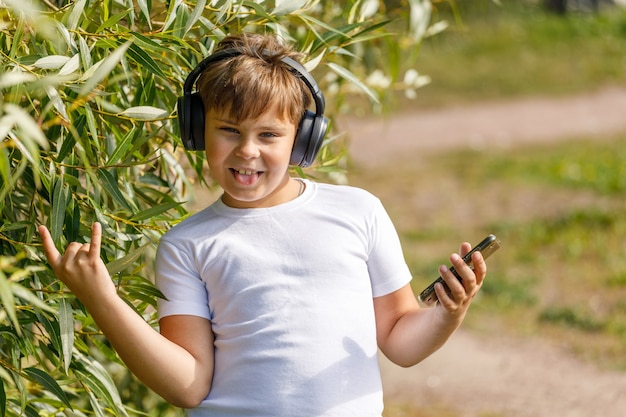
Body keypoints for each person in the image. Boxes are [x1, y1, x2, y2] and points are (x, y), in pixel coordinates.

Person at [38, 33, 487, 416]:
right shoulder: (186, 244)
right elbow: (187, 385)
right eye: (229, 130)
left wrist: (450, 312)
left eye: (269, 135)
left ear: (303, 139)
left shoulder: (359, 212)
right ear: (196, 131)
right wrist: (102, 300)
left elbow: (400, 342)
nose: (247, 150)